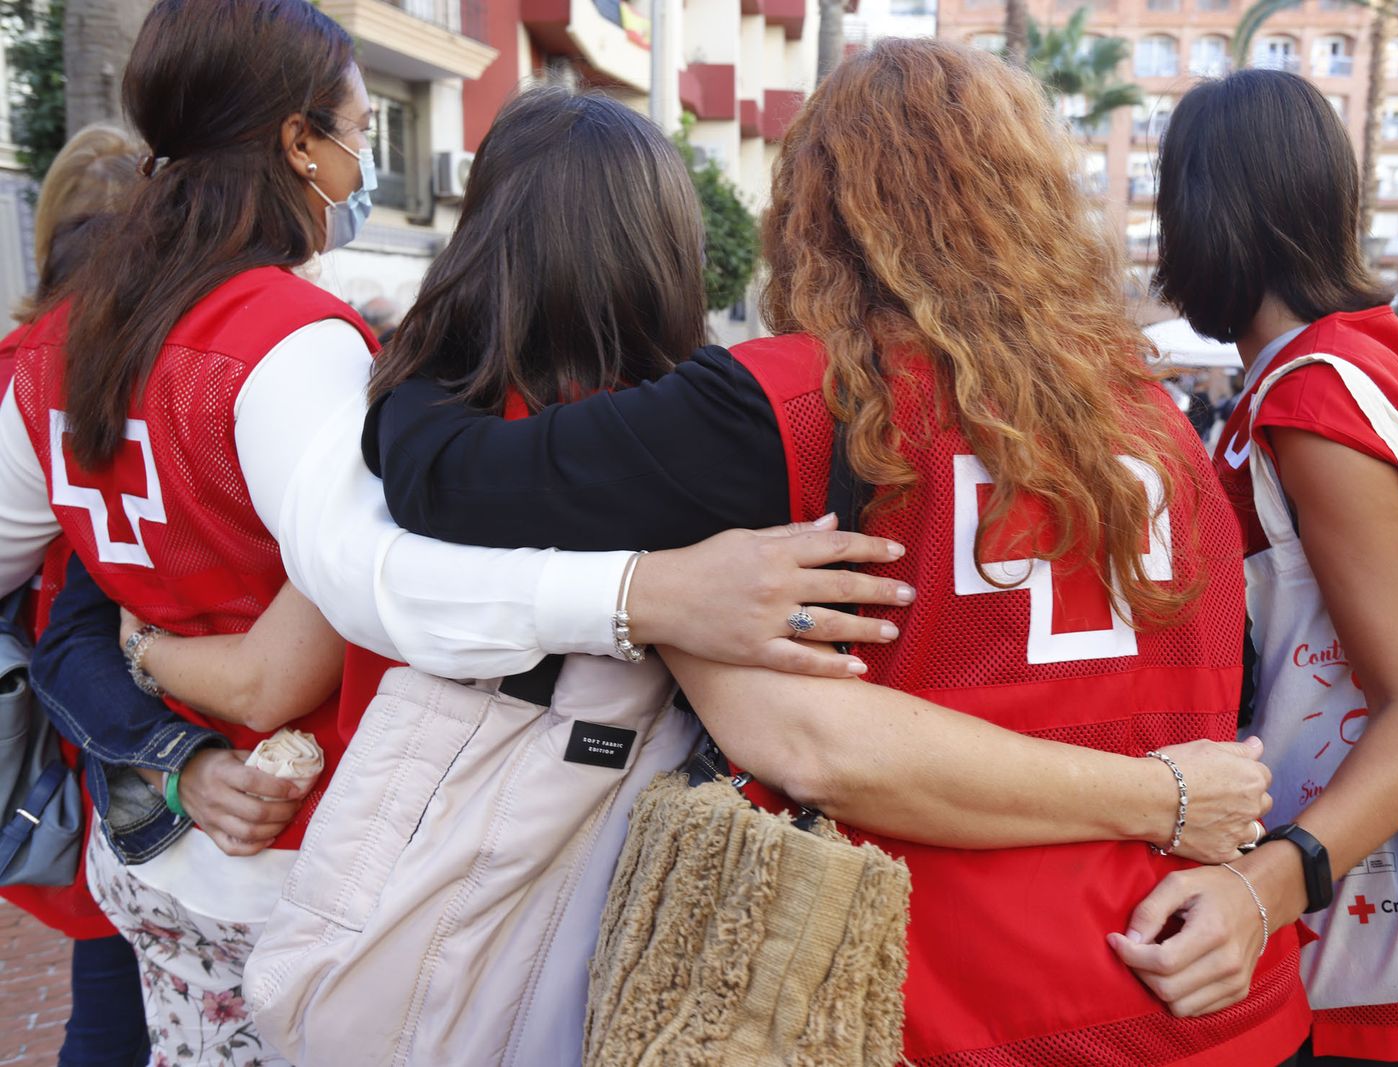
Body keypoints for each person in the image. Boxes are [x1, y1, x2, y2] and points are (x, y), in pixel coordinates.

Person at [0, 2, 914, 1062]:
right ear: (299, 142)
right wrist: (643, 593)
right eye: (357, 130)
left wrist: (144, 692)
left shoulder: (53, 349)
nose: (361, 165)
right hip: (319, 847)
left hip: (162, 845)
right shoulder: (291, 344)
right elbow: (344, 601)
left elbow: (45, 581)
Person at [363, 45, 1305, 1065]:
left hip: (942, 1002)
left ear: (817, 204)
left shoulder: (789, 403)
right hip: (1205, 986)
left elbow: (445, 476)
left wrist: (428, 339)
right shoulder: (1157, 420)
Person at [1150, 69, 1398, 1066]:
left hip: (1335, 896)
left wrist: (1269, 882)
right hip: (1346, 875)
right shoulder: (1356, 356)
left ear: (1205, 212)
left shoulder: (1312, 401)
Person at [0, 122, 155, 1067]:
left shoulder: (28, 360)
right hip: (187, 697)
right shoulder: (190, 345)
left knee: (108, 1000)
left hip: (81, 715)